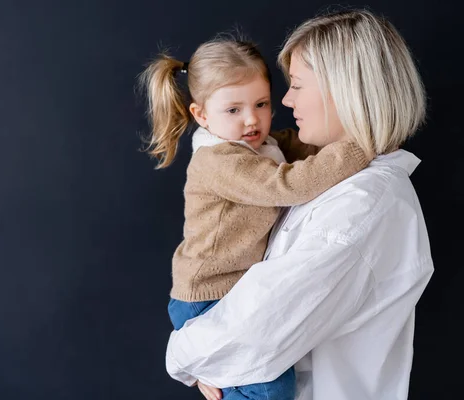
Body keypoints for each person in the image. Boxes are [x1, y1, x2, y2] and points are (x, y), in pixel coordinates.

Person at [165, 9, 433, 400]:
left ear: (345, 90)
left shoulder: (360, 206)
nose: (285, 101)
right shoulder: (323, 173)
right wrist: (210, 358)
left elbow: (255, 329)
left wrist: (182, 354)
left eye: (297, 85)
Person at [138, 35, 371, 399]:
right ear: (201, 115)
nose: (251, 120)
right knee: (268, 388)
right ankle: (210, 367)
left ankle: (212, 369)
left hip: (233, 288)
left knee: (258, 378)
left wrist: (364, 133)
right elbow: (289, 185)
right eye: (233, 110)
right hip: (207, 293)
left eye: (261, 104)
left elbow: (306, 145)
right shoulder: (219, 161)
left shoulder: (263, 145)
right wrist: (360, 149)